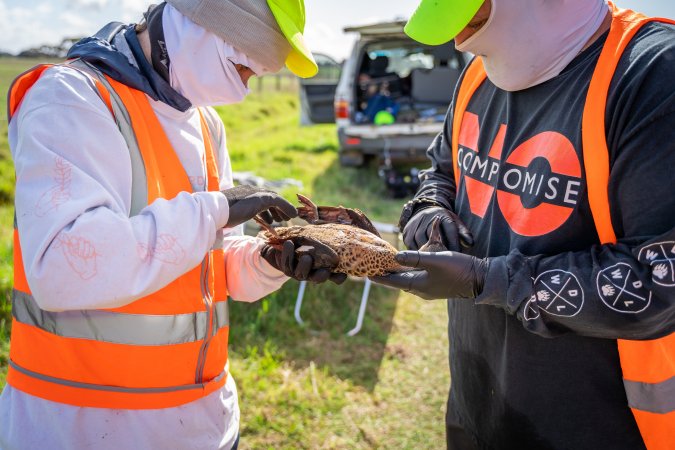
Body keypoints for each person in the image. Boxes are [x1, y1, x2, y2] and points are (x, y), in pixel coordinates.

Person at [0, 1, 344, 448]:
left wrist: (270, 260)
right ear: (200, 22)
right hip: (80, 427)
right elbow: (64, 268)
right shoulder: (71, 98)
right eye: (241, 68)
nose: (242, 92)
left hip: (206, 422)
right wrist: (215, 208)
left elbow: (214, 263)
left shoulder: (206, 123)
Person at [373, 0, 675, 449]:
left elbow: (658, 280)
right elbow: (442, 169)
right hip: (477, 402)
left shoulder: (650, 74)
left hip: (596, 423)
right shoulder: (479, 73)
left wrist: (486, 280)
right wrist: (428, 210)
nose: (461, 40)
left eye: (470, 20)